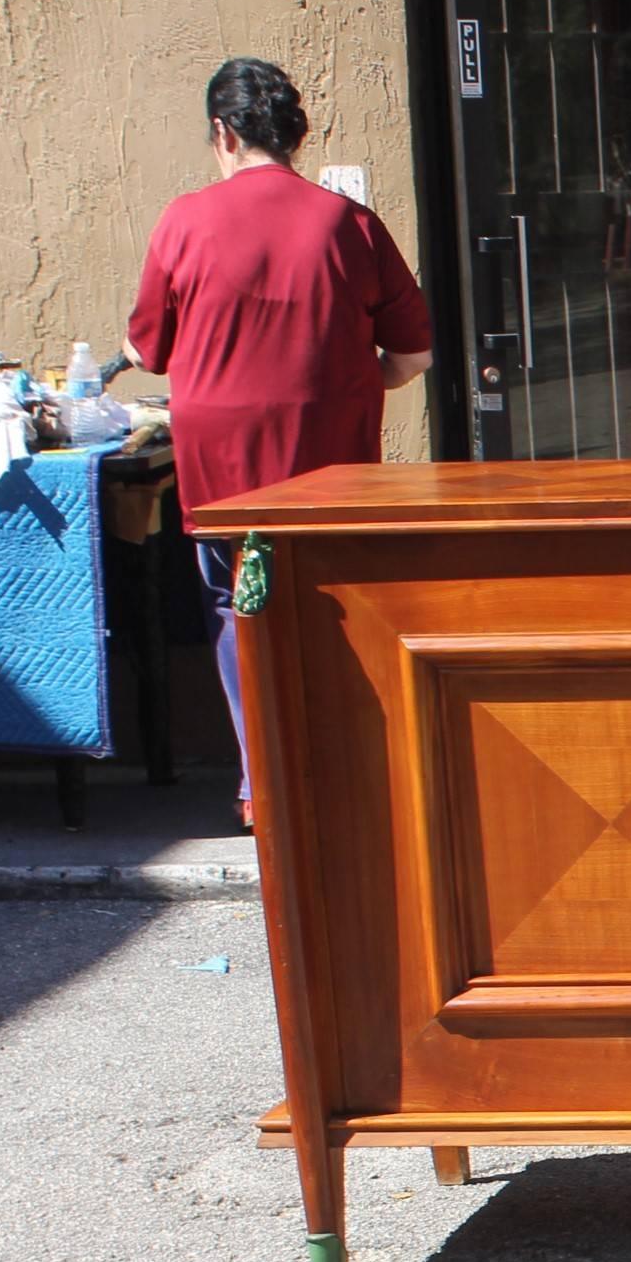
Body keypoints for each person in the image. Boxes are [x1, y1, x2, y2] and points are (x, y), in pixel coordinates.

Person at [125, 58, 431, 828]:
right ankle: (347, 765)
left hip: (222, 469)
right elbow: (413, 354)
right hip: (327, 464)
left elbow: (148, 350)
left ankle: (261, 782)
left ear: (223, 133)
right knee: (334, 601)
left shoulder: (183, 220)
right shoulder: (347, 223)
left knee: (237, 605)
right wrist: (358, 381)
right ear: (293, 135)